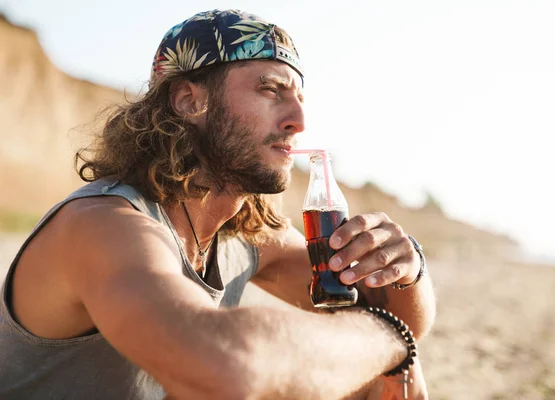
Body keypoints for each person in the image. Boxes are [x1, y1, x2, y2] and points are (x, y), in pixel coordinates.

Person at [0, 9, 436, 400]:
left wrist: (407, 267)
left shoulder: (244, 233)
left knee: (380, 374)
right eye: (270, 90)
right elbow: (223, 368)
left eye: (299, 98)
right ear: (191, 101)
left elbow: (388, 308)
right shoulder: (104, 225)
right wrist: (390, 341)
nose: (298, 121)